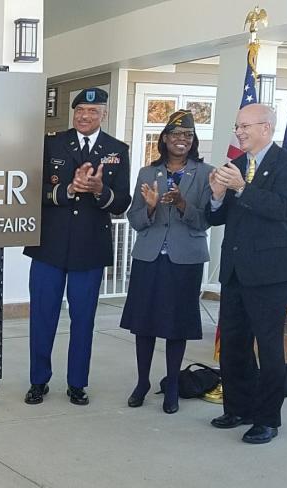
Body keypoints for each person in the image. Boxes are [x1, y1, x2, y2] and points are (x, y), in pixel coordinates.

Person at [23, 87, 131, 405]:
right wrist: (67, 189)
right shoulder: (52, 143)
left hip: (90, 248)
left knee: (83, 320)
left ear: (104, 115)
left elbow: (121, 202)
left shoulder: (117, 150)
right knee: (43, 317)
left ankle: (77, 383)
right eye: (80, 110)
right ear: (74, 113)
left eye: (93, 111)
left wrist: (99, 189)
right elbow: (31, 187)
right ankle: (38, 381)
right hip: (49, 248)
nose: (85, 116)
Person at [207, 103, 287, 444]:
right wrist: (218, 197)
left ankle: (267, 419)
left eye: (245, 126)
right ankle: (238, 408)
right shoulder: (234, 166)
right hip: (235, 272)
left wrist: (241, 189)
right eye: (237, 126)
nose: (239, 132)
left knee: (268, 347)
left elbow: (282, 209)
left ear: (266, 128)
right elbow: (216, 218)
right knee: (234, 345)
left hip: (270, 274)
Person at [120, 110, 213, 414]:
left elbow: (205, 221)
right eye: (175, 135)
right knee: (143, 323)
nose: (181, 140)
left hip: (185, 259)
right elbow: (134, 219)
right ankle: (142, 381)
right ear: (164, 139)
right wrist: (148, 208)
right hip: (149, 256)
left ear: (193, 140)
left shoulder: (205, 172)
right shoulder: (148, 173)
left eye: (187, 135)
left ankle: (172, 384)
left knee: (177, 325)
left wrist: (184, 203)